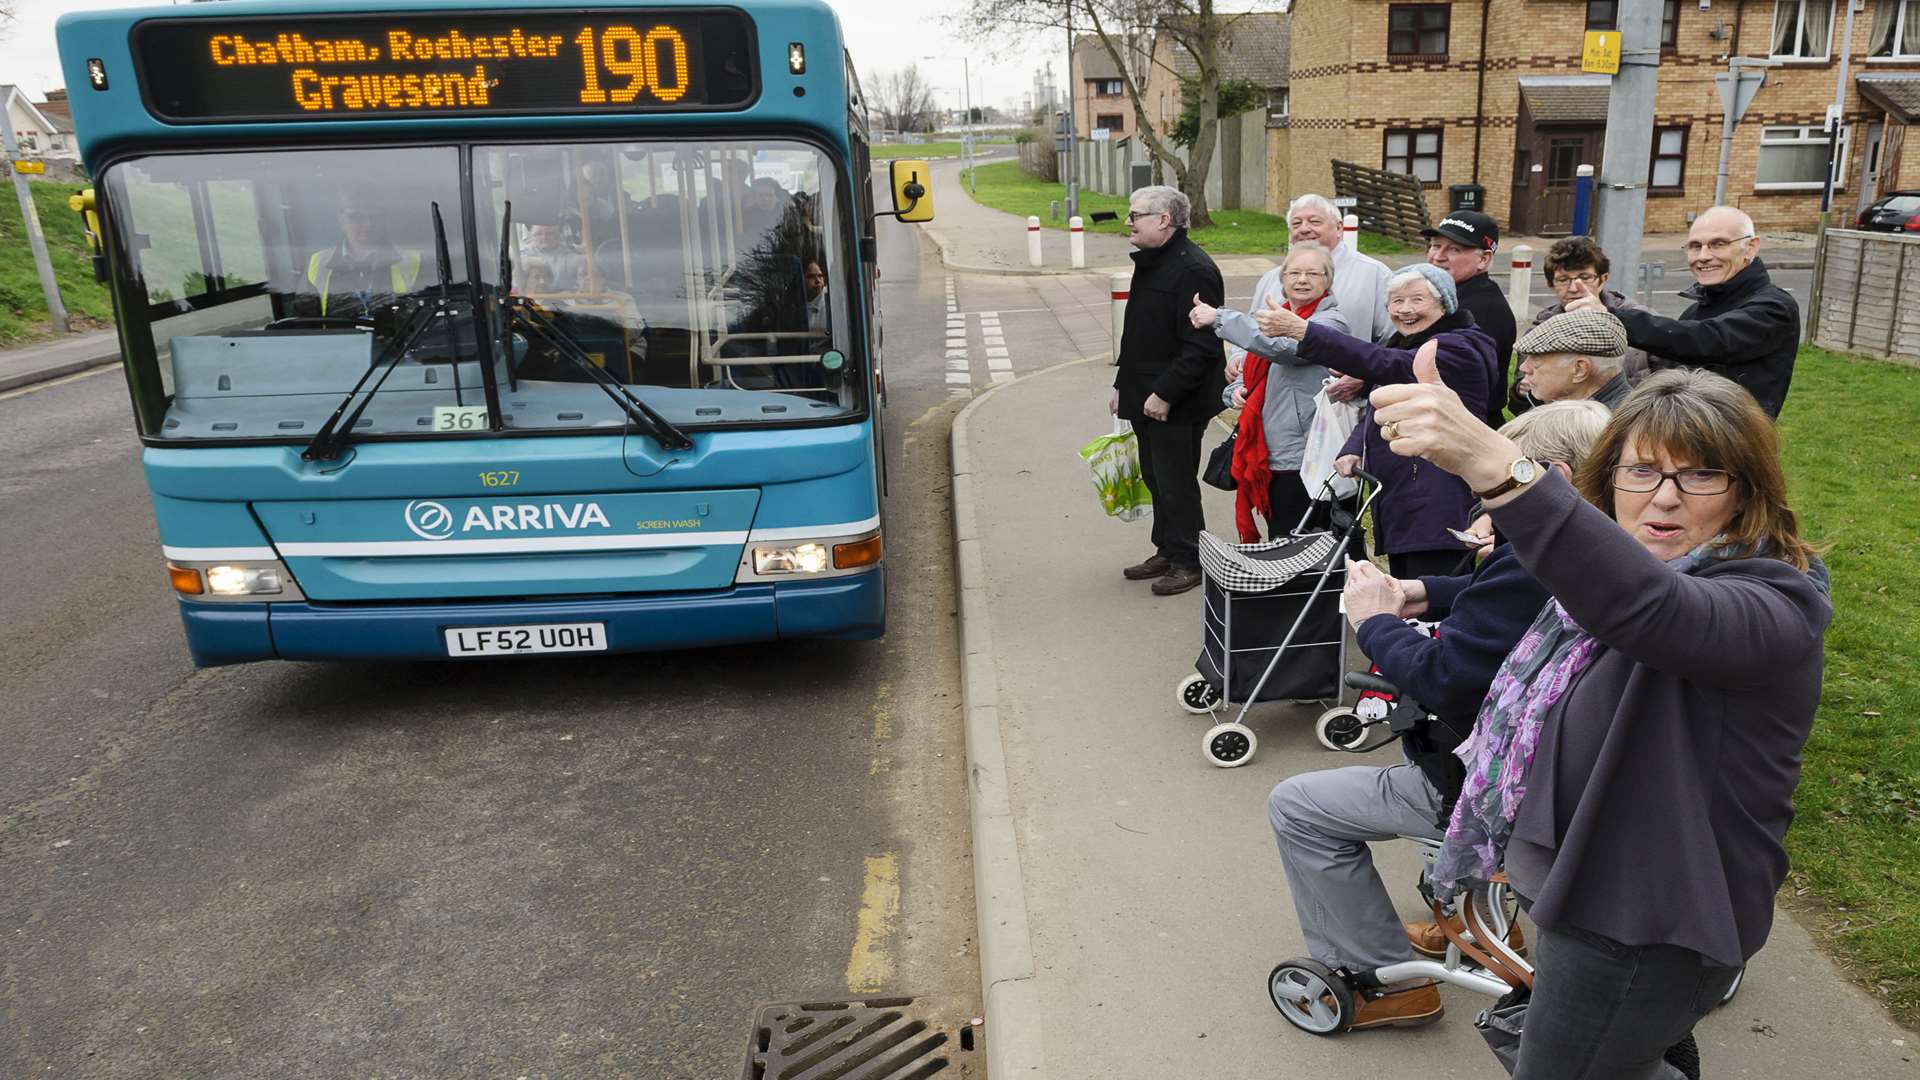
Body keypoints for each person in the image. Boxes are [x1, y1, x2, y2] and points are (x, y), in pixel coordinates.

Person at [1368, 361, 1829, 1078]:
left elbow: (1650, 611)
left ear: (1748, 493)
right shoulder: (1601, 586)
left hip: (1640, 923)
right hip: (1580, 892)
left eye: (1701, 475)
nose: (1663, 500)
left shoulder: (1773, 605)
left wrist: (1497, 465)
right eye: (1640, 471)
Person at [1267, 399, 1610, 1031]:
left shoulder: (1537, 557)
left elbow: (1447, 680)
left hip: (1498, 789)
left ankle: (1383, 984)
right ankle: (1487, 916)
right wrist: (1422, 592)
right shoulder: (1608, 548)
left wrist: (1373, 623)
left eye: (1494, 479)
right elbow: (1505, 597)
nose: (1482, 500)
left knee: (1298, 805)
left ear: (1553, 475)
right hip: (1591, 783)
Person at [1255, 263, 1499, 580]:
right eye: (1397, 302)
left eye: (1417, 300)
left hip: (1439, 504)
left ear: (1445, 304)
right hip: (1403, 501)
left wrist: (1304, 331)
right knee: (1405, 593)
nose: (1405, 310)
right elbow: (1382, 400)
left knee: (1432, 599)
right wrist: (1354, 446)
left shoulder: (1457, 347)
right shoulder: (1404, 341)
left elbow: (1381, 363)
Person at [1568, 206, 1799, 418]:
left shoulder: (1774, 308)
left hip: (1731, 448)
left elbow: (1708, 340)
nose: (1703, 256)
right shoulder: (1697, 309)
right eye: (1695, 246)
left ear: (1751, 246)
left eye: (1718, 244)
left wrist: (1613, 318)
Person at [1110, 185, 1227, 597]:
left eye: (1135, 215)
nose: (1128, 222)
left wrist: (1165, 394)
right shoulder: (1155, 261)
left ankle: (1189, 559)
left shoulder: (1193, 268)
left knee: (1176, 481)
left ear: (1163, 219)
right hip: (1143, 392)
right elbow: (1139, 333)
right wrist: (1121, 385)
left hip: (1176, 399)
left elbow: (1202, 344)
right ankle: (1167, 547)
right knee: (1155, 476)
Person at [1189, 243, 1346, 541]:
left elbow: (1285, 348)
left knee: (1302, 539)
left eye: (1313, 273)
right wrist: (1236, 391)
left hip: (1304, 453)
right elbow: (1248, 367)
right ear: (1283, 279)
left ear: (1327, 280)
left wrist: (1220, 318)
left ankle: (1308, 588)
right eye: (1294, 272)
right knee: (1282, 533)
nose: (1302, 279)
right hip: (1268, 447)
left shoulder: (1330, 322)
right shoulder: (1276, 317)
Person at [1421, 210, 1515, 426]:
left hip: (1464, 429)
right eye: (1435, 245)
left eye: (1454, 249)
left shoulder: (1479, 310)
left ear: (1483, 259)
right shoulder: (1446, 295)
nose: (1438, 256)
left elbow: (1442, 373)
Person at [304, 190, 421, 319]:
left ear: (384, 218)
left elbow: (426, 322)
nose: (367, 225)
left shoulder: (414, 261)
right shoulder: (317, 264)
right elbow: (304, 327)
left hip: (399, 339)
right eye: (356, 217)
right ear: (340, 217)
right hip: (340, 339)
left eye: (374, 217)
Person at [1514, 309, 1635, 410]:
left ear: (1579, 369)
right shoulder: (1561, 402)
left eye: (1537, 359)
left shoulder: (1613, 429)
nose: (1524, 367)